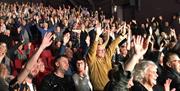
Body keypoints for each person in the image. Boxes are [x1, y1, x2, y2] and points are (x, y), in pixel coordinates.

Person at [86, 23, 126, 90]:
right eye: (100, 50)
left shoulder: (106, 56)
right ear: (95, 52)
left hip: (111, 88)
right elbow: (92, 50)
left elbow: (112, 46)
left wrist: (121, 36)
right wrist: (97, 36)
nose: (103, 51)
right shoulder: (92, 61)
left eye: (103, 50)